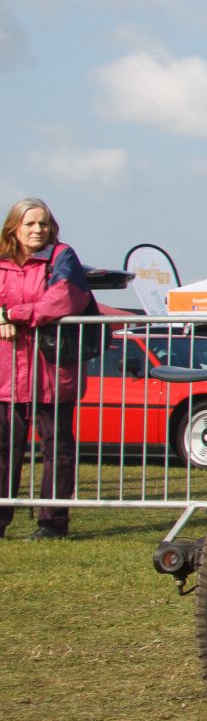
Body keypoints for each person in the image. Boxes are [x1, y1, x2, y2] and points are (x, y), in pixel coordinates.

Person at [0, 198, 94, 539]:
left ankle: (53, 523)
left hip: (52, 374)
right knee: (3, 449)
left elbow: (65, 298)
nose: (38, 230)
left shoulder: (62, 256)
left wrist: (15, 314)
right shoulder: (2, 260)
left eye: (43, 223)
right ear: (14, 227)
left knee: (57, 450)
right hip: (7, 376)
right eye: (30, 224)